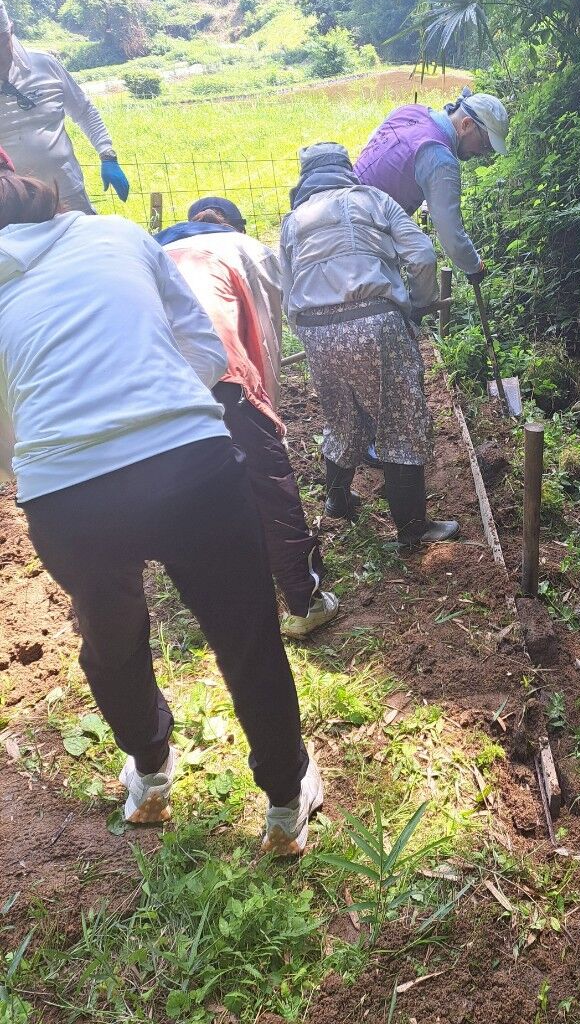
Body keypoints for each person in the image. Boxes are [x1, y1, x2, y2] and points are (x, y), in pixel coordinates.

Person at [0, 174, 322, 852]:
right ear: (42, 195)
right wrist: (157, 409)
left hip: (67, 492)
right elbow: (204, 349)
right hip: (188, 463)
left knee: (110, 636)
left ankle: (150, 775)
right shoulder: (117, 235)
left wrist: (53, 461)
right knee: (245, 631)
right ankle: (286, 802)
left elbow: (7, 430)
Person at [156, 197, 338, 639]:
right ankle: (304, 601)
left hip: (151, 379)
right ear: (236, 226)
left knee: (185, 484)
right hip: (220, 370)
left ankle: (219, 602)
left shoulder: (154, 250)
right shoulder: (250, 250)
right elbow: (265, 339)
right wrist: (266, 413)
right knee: (268, 484)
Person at [281, 142, 459, 545]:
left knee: (341, 416)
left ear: (306, 178)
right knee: (400, 419)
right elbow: (422, 256)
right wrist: (419, 304)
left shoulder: (293, 221)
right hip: (376, 322)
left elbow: (287, 291)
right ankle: (413, 530)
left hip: (316, 329)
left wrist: (312, 335)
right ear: (346, 169)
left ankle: (338, 501)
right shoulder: (375, 200)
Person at [353, 89, 509, 281]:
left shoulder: (409, 111)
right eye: (485, 145)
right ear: (466, 124)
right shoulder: (440, 158)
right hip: (364, 235)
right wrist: (475, 267)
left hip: (341, 197)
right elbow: (451, 235)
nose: (483, 154)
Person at [0, 0, 129, 214]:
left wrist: (107, 155)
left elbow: (84, 111)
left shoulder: (44, 64)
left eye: (1, 42)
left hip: (67, 189)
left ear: (11, 31)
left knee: (84, 234)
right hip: (13, 205)